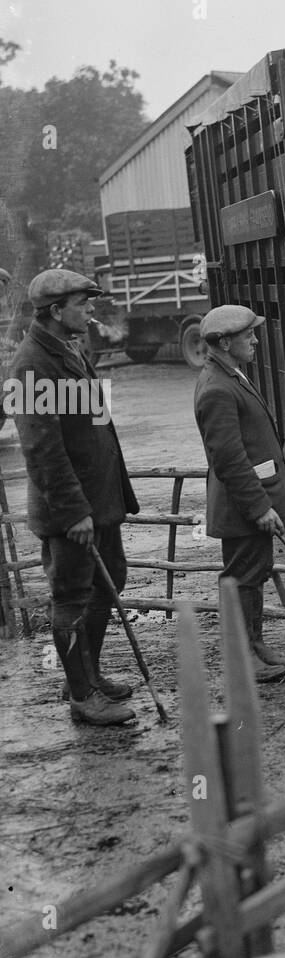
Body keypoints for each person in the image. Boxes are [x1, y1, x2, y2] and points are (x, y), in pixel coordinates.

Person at [11, 269, 139, 725]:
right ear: (54, 310)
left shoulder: (70, 349)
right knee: (71, 598)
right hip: (72, 512)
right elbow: (41, 448)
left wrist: (110, 500)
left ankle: (86, 675)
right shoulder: (31, 364)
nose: (90, 310)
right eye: (83, 303)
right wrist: (72, 512)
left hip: (98, 503)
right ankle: (83, 697)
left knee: (108, 584)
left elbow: (95, 429)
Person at [193, 305, 285, 683]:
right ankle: (243, 659)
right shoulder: (217, 389)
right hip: (244, 506)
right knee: (241, 580)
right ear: (224, 342)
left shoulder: (229, 375)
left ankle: (255, 647)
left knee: (253, 576)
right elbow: (228, 458)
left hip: (250, 502)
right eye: (248, 335)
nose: (255, 340)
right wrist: (259, 508)